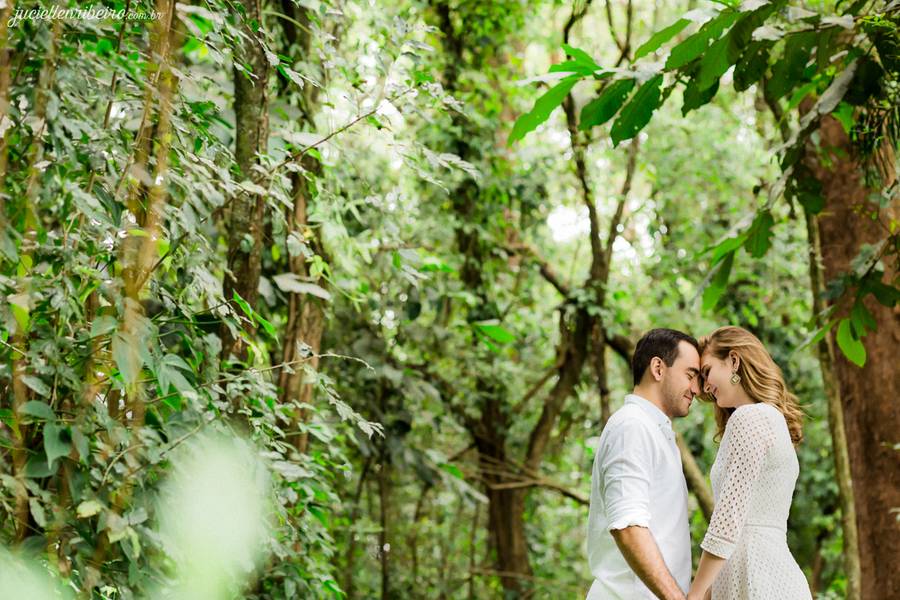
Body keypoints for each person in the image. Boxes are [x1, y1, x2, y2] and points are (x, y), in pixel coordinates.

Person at [687, 326, 812, 600]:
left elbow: (727, 522)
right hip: (763, 575)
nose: (705, 386)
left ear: (733, 360)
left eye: (707, 372)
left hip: (757, 577)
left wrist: (692, 597)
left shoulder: (751, 418)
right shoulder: (769, 419)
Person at [586, 328, 701, 600]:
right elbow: (628, 526)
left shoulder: (656, 432)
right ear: (658, 368)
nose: (696, 389)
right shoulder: (632, 427)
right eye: (690, 375)